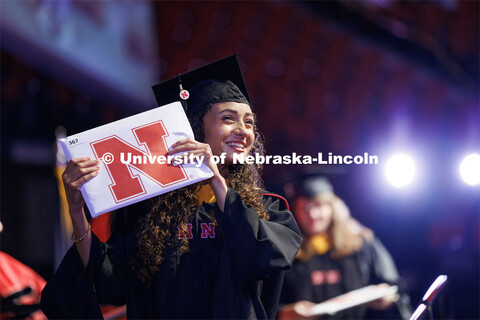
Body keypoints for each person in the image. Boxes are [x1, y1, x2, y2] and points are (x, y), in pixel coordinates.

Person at [41, 55, 302, 319]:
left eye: (249, 122)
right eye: (228, 119)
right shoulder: (149, 207)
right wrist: (76, 212)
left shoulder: (267, 208)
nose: (243, 130)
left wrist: (215, 180)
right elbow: (111, 283)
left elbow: (263, 256)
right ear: (197, 128)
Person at [277, 175, 412, 319]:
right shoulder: (286, 251)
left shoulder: (361, 243)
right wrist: (283, 313)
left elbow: (394, 287)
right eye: (304, 207)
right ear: (294, 212)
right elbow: (268, 301)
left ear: (332, 207)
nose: (313, 214)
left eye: (319, 205)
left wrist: (388, 296)